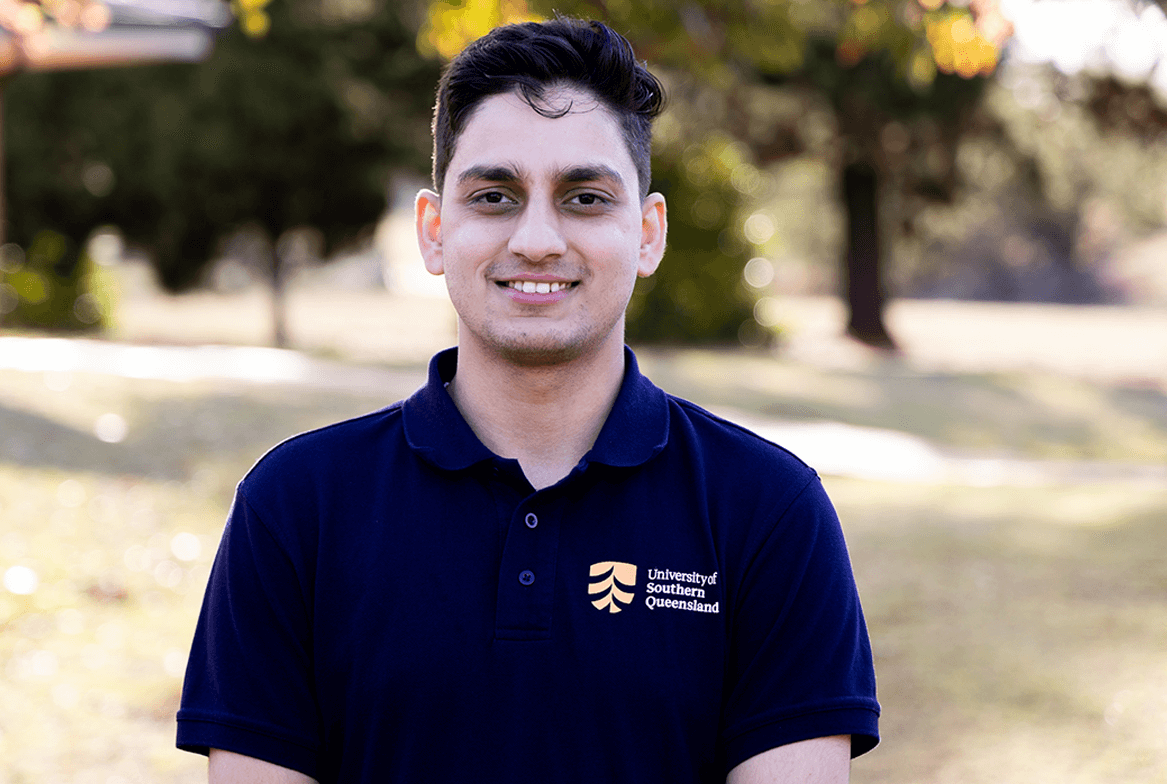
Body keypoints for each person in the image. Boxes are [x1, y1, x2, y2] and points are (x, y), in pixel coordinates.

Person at [177, 17, 879, 784]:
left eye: (583, 197)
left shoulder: (769, 511)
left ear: (647, 234)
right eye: (494, 195)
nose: (538, 238)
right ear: (434, 230)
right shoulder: (296, 507)